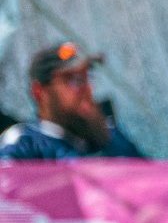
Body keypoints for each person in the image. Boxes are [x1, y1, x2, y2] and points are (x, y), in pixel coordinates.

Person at [0, 42, 143, 160]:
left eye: (89, 77)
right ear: (40, 92)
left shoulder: (109, 134)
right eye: (75, 80)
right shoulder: (25, 143)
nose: (87, 88)